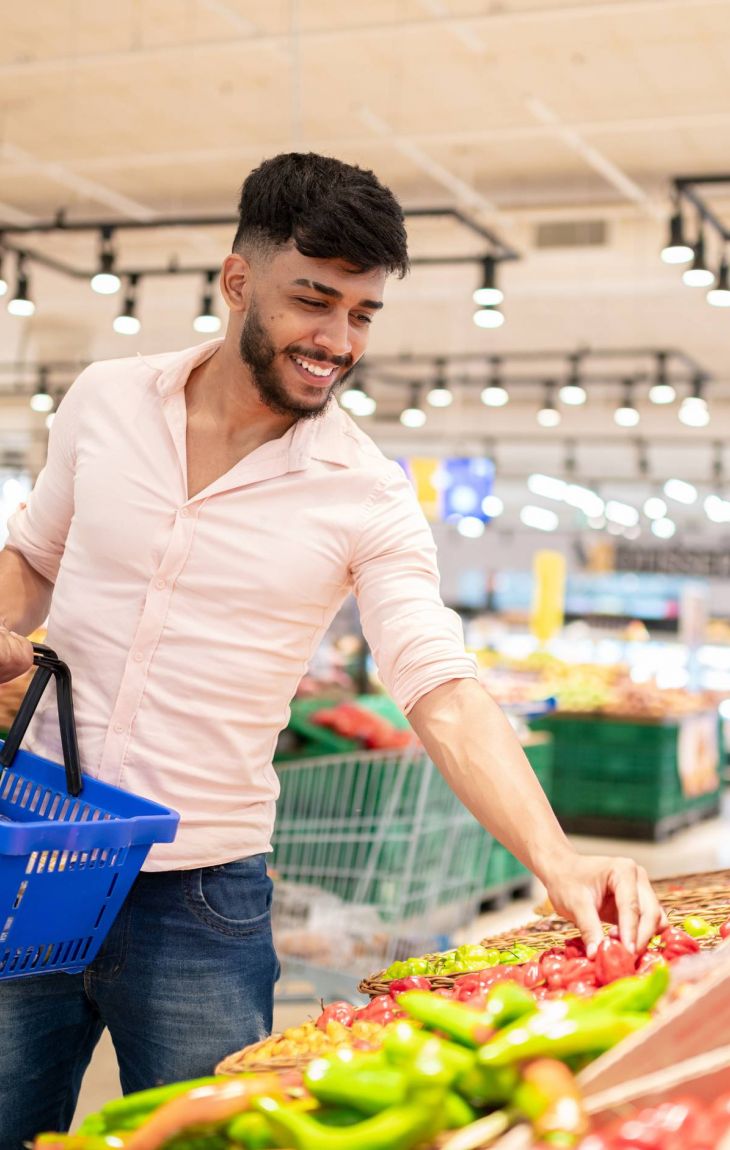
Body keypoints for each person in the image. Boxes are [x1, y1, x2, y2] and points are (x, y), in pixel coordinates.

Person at [0, 152, 666, 1143]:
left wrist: (556, 858)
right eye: (314, 301)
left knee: (212, 1138)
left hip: (201, 898)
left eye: (361, 314)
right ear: (237, 281)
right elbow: (33, 557)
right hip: (34, 847)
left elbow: (436, 684)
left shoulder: (364, 491)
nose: (336, 340)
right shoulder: (105, 399)